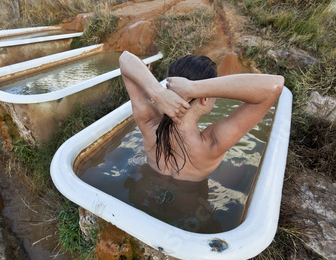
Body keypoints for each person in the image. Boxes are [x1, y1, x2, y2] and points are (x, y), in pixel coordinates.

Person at [119, 51, 284, 182]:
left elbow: (125, 59)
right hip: (189, 213)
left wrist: (159, 92)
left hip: (150, 191)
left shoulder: (149, 124)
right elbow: (274, 86)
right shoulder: (212, 144)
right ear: (205, 98)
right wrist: (194, 89)